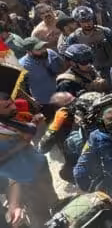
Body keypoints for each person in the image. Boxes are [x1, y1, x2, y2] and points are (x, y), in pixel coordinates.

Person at [0, 91, 59, 226]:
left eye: (11, 103)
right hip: (21, 182)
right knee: (40, 215)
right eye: (7, 106)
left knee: (55, 203)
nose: (14, 108)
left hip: (39, 167)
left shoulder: (9, 120)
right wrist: (22, 143)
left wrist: (35, 124)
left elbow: (26, 133)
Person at [19, 37, 64, 120]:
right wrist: (31, 100)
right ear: (29, 52)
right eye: (39, 49)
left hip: (62, 94)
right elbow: (18, 87)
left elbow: (63, 65)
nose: (43, 50)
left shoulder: (50, 53)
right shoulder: (22, 65)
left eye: (43, 46)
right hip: (44, 102)